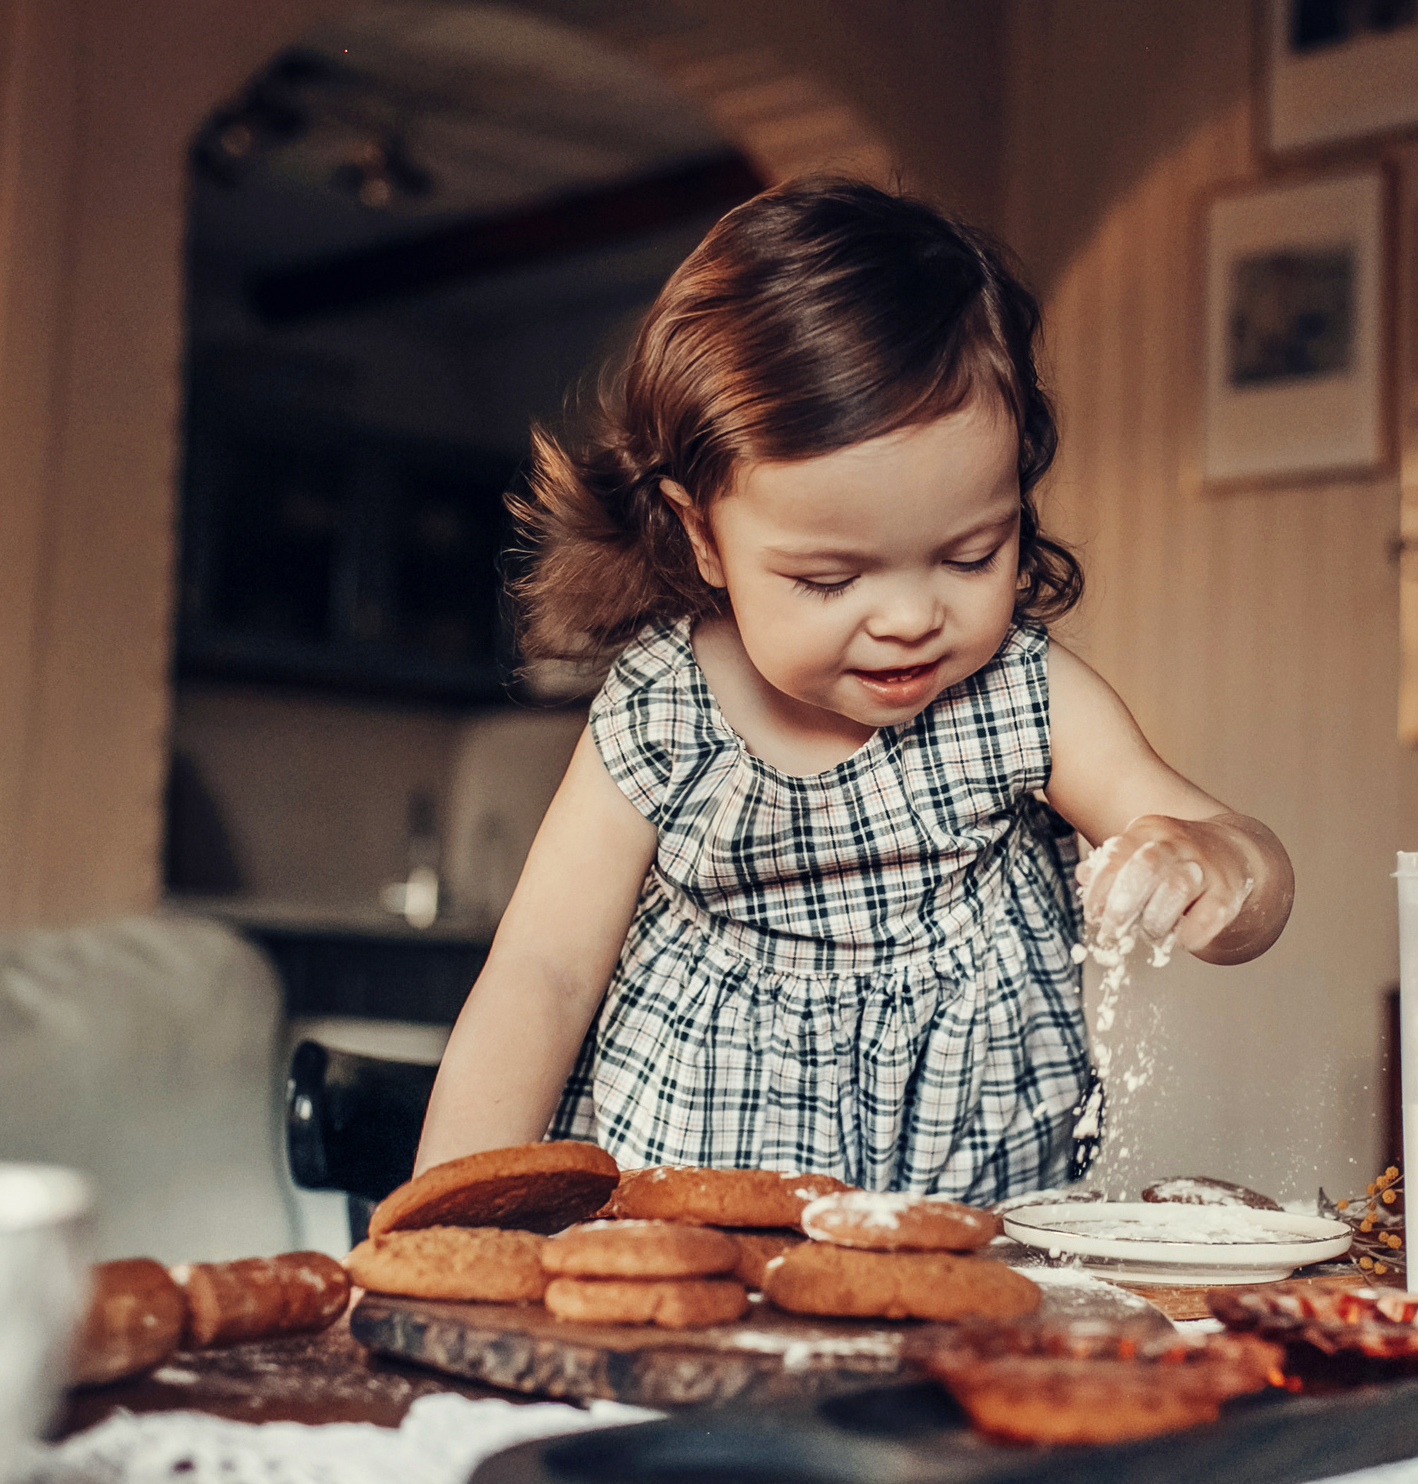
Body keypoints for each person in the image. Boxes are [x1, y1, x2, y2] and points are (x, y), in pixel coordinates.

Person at [414, 177, 1293, 1201]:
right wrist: (444, 1228)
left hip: (980, 1223)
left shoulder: (1025, 698)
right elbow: (542, 977)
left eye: (971, 555)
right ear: (702, 534)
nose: (908, 617)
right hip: (699, 1225)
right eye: (830, 581)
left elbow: (1249, 868)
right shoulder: (662, 715)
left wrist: (1212, 872)